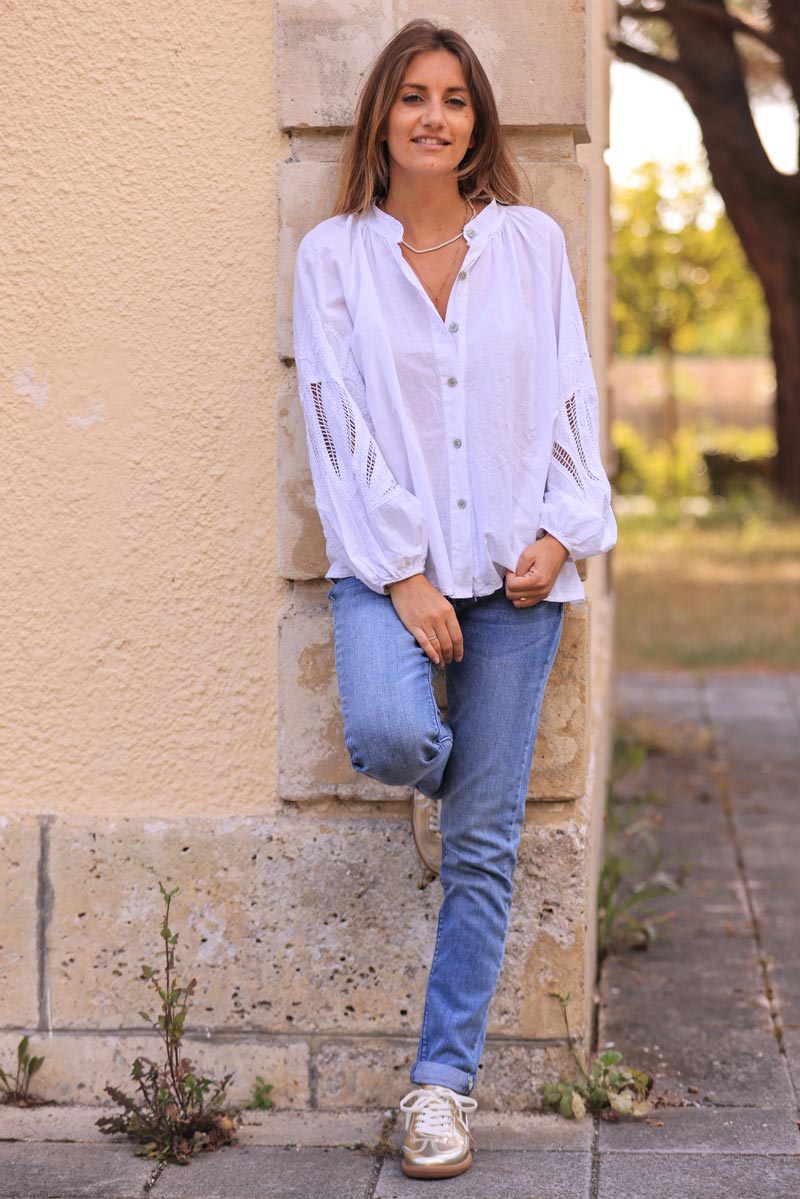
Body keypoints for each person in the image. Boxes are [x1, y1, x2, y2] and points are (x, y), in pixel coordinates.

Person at [292, 18, 616, 1180]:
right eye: (414, 96)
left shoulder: (528, 242)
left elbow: (571, 391)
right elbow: (333, 423)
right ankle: (447, 777)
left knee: (484, 846)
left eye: (457, 100)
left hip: (520, 577)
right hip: (393, 571)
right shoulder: (333, 255)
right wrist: (404, 569)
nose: (435, 115)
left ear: (477, 124)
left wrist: (559, 528)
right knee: (388, 731)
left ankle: (440, 1086)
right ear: (381, 115)